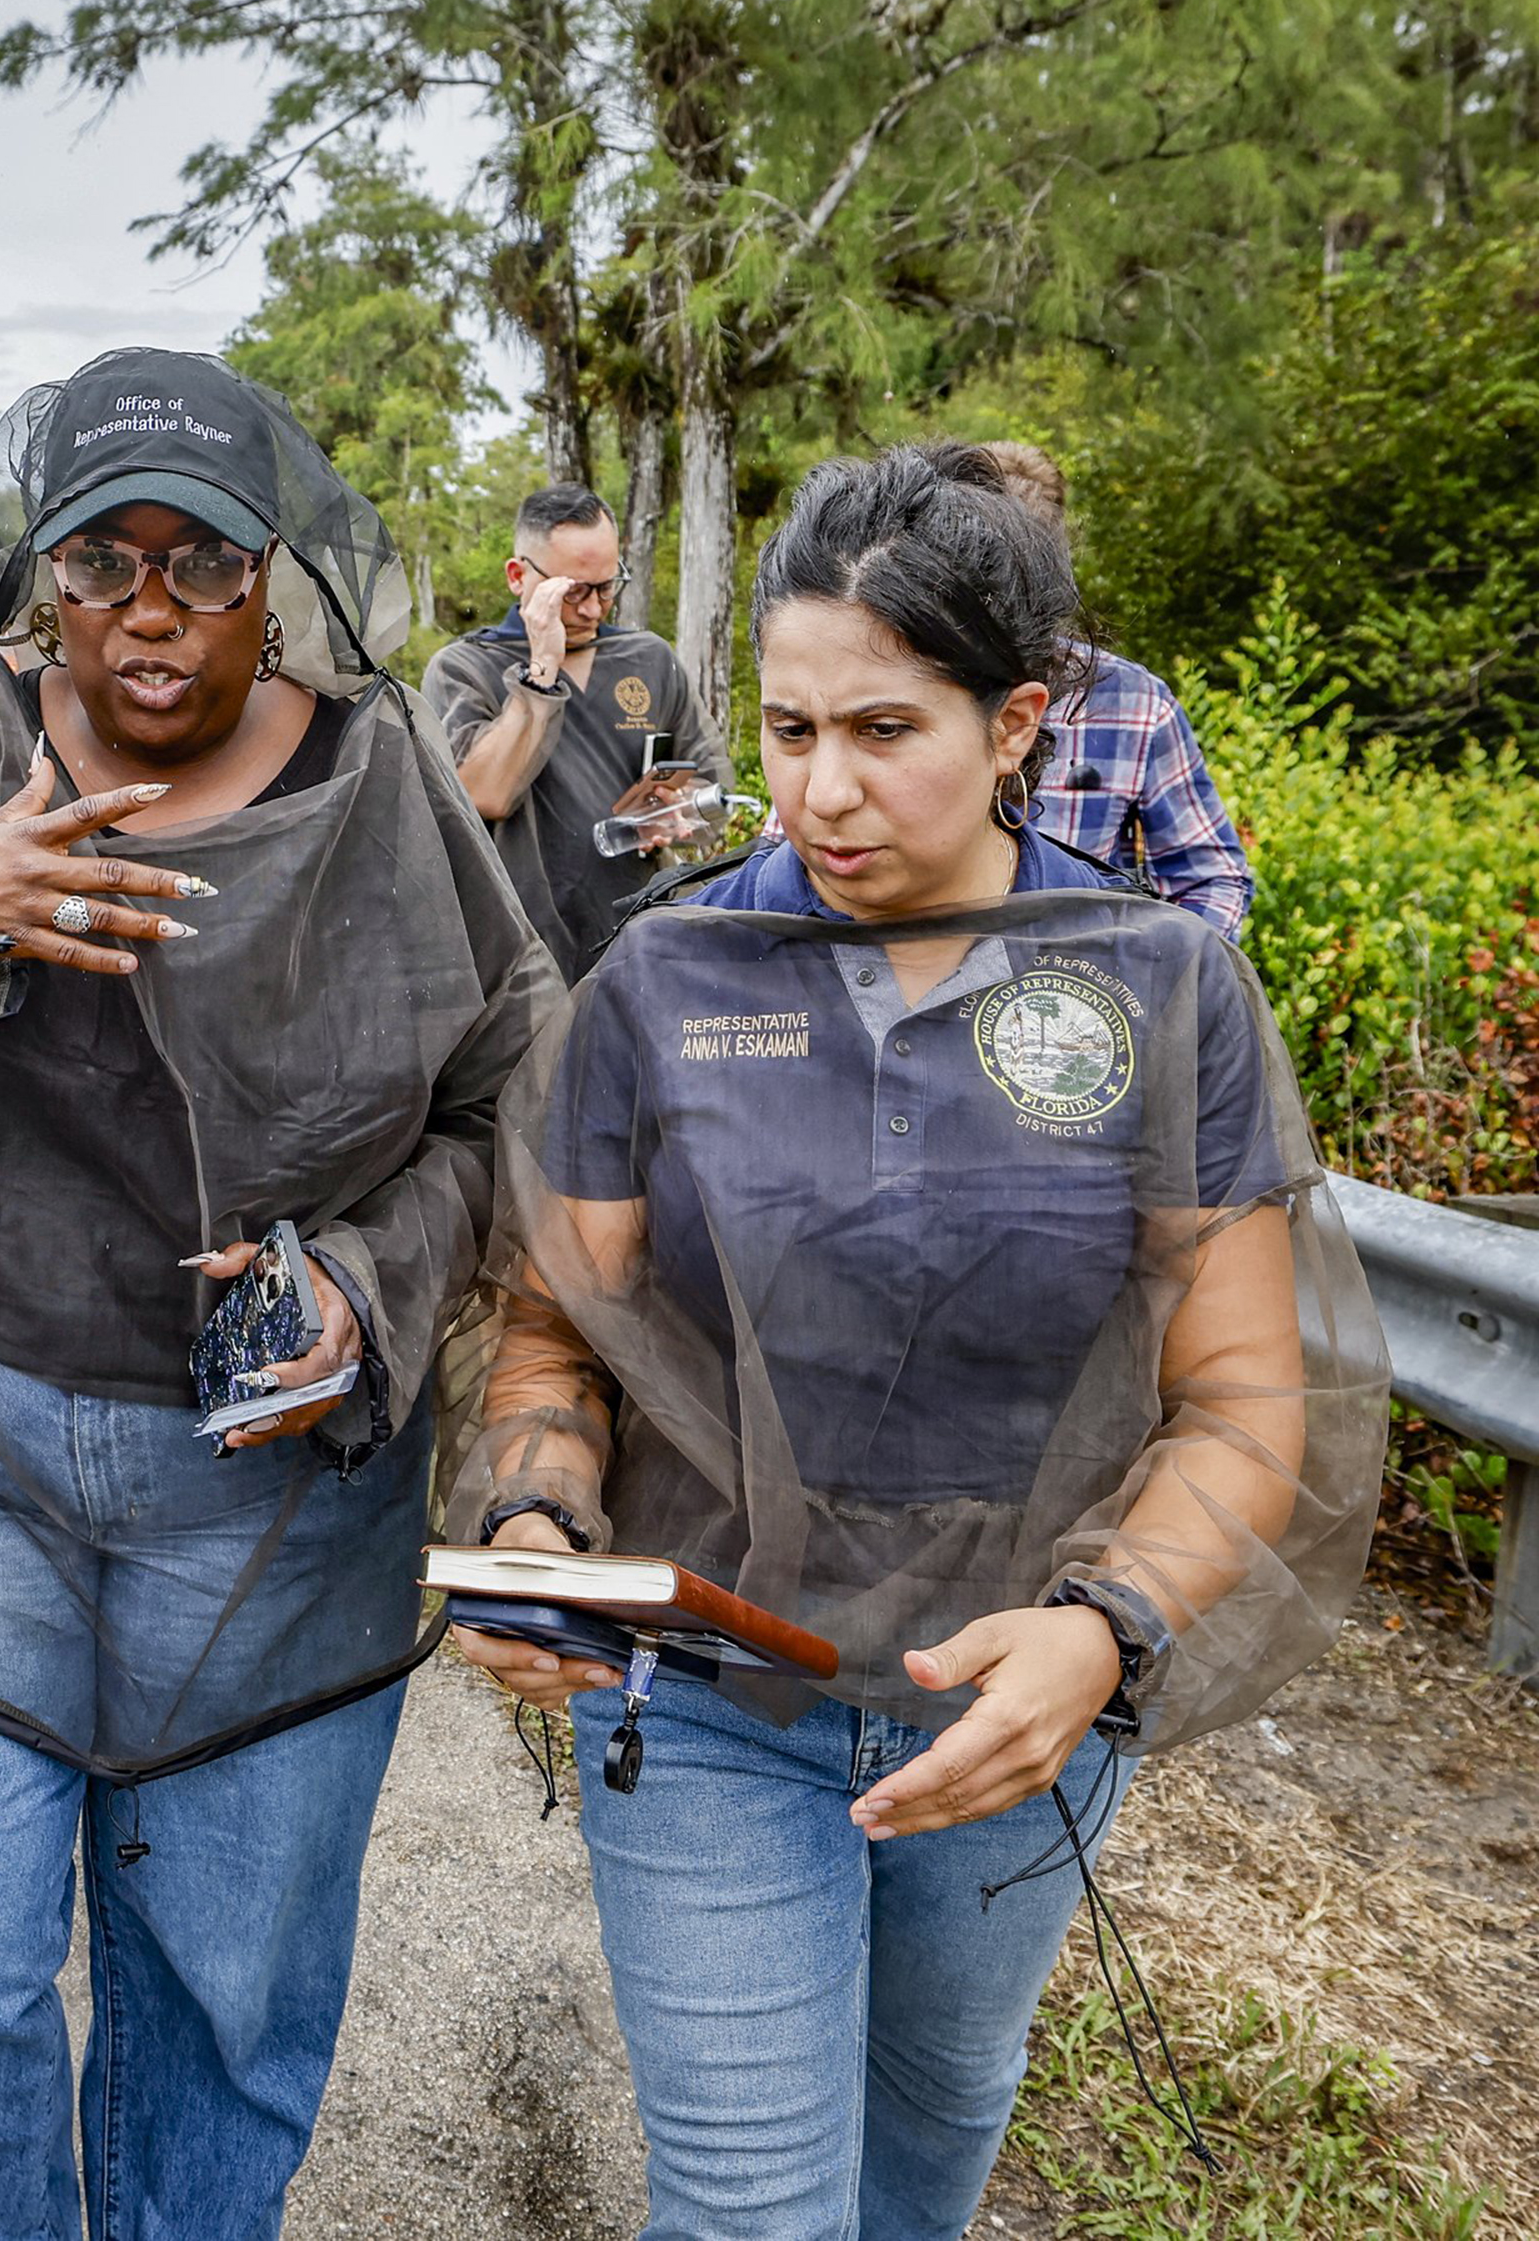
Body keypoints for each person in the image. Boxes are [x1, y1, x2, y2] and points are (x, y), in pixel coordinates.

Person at [448, 443, 1385, 2241]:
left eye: (886, 730)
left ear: (1019, 718)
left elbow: (1248, 1392)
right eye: (791, 733)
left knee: (933, 2145)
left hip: (1017, 1704)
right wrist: (537, 1524)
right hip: (717, 1692)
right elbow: (555, 1331)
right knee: (750, 2208)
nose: (824, 789)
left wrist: (1104, 1634)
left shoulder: (1160, 988)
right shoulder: (660, 983)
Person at [0, 348, 552, 2240]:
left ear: (275, 575)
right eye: (100, 559)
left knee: (228, 2007)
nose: (148, 610)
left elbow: (516, 1102)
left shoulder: (384, 781)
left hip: (277, 1498)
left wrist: (370, 1290)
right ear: (40, 576)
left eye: (203, 561)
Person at [423, 483, 727, 977]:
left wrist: (678, 811)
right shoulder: (464, 669)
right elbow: (484, 792)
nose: (594, 609)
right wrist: (542, 667)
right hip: (520, 962)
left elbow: (711, 784)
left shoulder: (648, 658)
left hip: (642, 946)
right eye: (574, 591)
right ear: (518, 576)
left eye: (608, 586)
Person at [977, 439, 1255, 935]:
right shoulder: (896, 684)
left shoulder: (1134, 703)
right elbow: (792, 858)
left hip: (1077, 995)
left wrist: (1161, 982)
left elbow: (1212, 878)